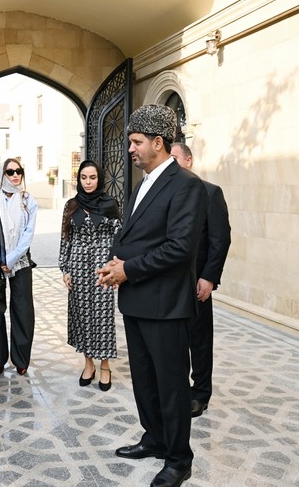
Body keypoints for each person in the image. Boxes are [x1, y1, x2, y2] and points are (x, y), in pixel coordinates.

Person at [97, 104, 207, 487]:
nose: (130, 149)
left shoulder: (187, 186)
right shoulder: (141, 184)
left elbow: (179, 248)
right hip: (136, 301)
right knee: (144, 381)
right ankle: (155, 438)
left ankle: (179, 460)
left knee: (171, 386)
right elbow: (135, 235)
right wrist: (116, 261)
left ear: (158, 143)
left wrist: (127, 269)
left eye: (136, 142)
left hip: (165, 306)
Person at [170, 142, 232, 418]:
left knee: (199, 340)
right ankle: (179, 388)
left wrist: (208, 278)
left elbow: (220, 240)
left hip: (198, 283)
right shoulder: (168, 194)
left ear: (189, 161)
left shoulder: (210, 192)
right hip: (171, 282)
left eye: (174, 159)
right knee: (175, 340)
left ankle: (201, 393)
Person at [58, 160, 122, 391]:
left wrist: (114, 267)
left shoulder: (110, 204)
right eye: (84, 177)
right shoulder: (71, 205)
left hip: (101, 268)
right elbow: (66, 238)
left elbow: (118, 237)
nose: (88, 182)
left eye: (92, 177)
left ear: (99, 178)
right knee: (82, 316)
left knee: (103, 317)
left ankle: (104, 366)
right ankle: (88, 363)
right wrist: (65, 269)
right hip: (77, 268)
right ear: (79, 179)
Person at [0, 158, 38, 376]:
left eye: (19, 171)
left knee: (23, 310)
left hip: (20, 262)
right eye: (10, 172)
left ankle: (21, 360)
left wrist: (10, 260)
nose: (15, 175)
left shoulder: (28, 200)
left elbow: (27, 235)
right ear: (3, 174)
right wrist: (0, 259)